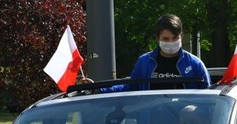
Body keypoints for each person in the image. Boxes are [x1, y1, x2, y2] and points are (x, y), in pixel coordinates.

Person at [81, 14, 211, 91]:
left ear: (181, 36)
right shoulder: (144, 62)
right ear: (157, 38)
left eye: (174, 38)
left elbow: (209, 96)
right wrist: (98, 89)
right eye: (166, 39)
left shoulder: (195, 64)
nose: (171, 42)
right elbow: (129, 87)